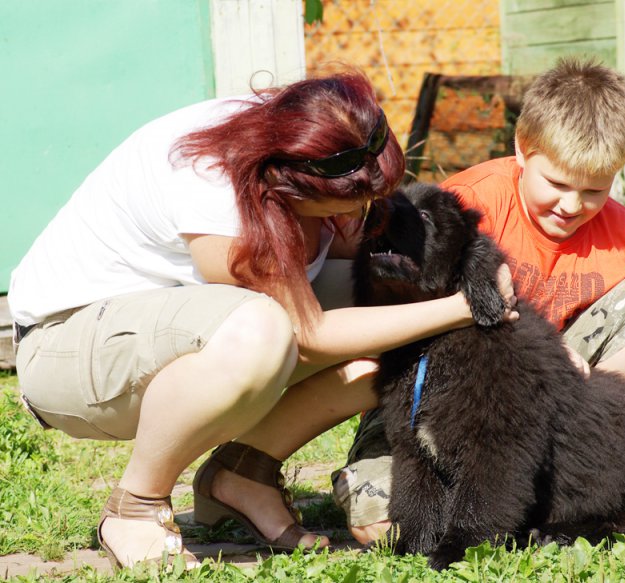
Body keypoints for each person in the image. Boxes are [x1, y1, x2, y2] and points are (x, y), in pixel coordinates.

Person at [9, 70, 517, 568]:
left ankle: (243, 474)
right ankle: (135, 507)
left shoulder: (304, 140)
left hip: (175, 325)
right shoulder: (214, 184)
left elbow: (361, 278)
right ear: (291, 186)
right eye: (349, 203)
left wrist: (455, 289)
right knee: (262, 330)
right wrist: (457, 309)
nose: (363, 216)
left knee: (395, 319)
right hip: (69, 348)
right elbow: (308, 333)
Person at [332, 58, 625, 545]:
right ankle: (503, 500)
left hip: (551, 404)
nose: (572, 205)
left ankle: (567, 486)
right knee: (382, 524)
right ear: (522, 150)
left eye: (594, 190)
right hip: (437, 393)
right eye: (558, 184)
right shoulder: (467, 204)